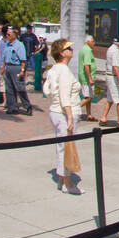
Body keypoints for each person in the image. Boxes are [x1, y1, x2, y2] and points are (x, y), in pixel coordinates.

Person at [44, 38, 82, 195]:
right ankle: (67, 182)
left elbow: (47, 90)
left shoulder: (54, 69)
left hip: (55, 112)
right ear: (62, 53)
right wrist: (70, 117)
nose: (71, 51)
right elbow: (64, 95)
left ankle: (62, 180)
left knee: (62, 147)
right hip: (64, 113)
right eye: (68, 49)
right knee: (66, 148)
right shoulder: (64, 71)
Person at [0, 25, 32, 115]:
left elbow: (23, 60)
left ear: (14, 35)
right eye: (6, 34)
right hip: (8, 67)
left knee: (20, 88)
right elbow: (4, 58)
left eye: (9, 34)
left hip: (16, 67)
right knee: (9, 89)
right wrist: (3, 68)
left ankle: (27, 106)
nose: (7, 36)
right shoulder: (7, 45)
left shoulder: (19, 45)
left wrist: (22, 70)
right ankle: (12, 107)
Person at [102, 37, 119, 126]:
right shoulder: (116, 51)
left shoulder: (110, 49)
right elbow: (115, 66)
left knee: (110, 99)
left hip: (110, 76)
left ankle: (103, 118)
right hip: (114, 77)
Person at [77, 34, 97, 122]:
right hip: (86, 78)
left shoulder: (84, 49)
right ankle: (75, 109)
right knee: (88, 97)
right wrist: (90, 78)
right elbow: (86, 65)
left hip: (84, 76)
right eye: (92, 41)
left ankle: (89, 114)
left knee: (88, 95)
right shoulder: (87, 50)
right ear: (88, 42)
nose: (94, 43)